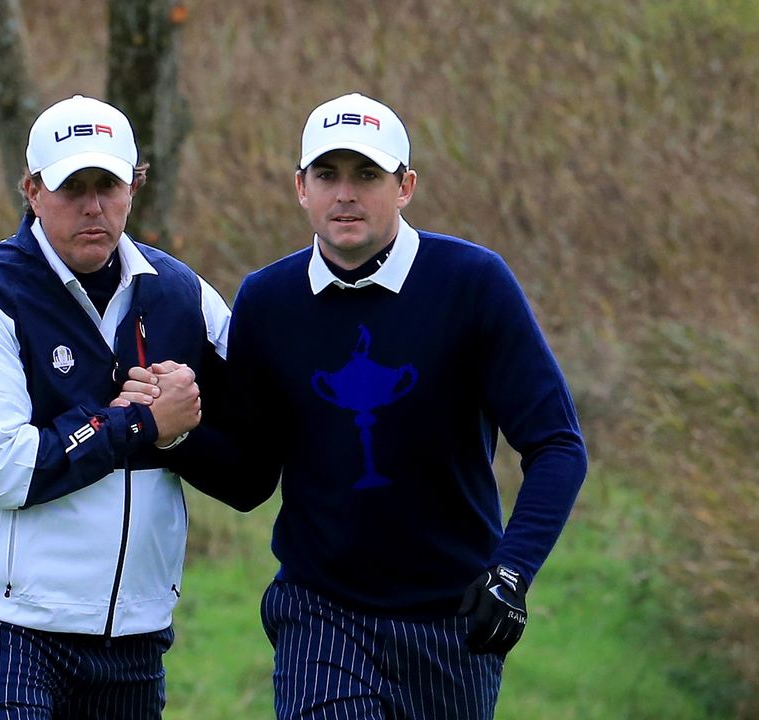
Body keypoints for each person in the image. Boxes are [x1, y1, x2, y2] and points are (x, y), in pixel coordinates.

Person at [119, 92, 588, 719]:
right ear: (301, 188)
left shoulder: (473, 284)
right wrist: (172, 434)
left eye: (367, 175)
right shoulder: (267, 300)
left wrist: (511, 573)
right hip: (320, 614)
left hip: (453, 622)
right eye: (328, 175)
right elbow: (251, 479)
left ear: (405, 186)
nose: (346, 193)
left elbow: (557, 444)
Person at [0, 94, 229, 719]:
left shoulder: (182, 295)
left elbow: (252, 447)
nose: (93, 206)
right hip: (1, 623)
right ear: (31, 189)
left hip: (134, 631)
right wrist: (138, 422)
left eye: (108, 184)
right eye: (70, 187)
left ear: (135, 185)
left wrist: (175, 436)